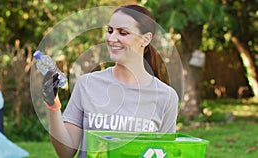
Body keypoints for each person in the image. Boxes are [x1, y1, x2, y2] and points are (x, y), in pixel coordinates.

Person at [41, 4, 179, 158]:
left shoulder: (166, 97)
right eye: (110, 30)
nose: (112, 38)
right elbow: (65, 152)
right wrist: (53, 106)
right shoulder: (87, 84)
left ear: (145, 39)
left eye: (123, 33)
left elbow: (165, 153)